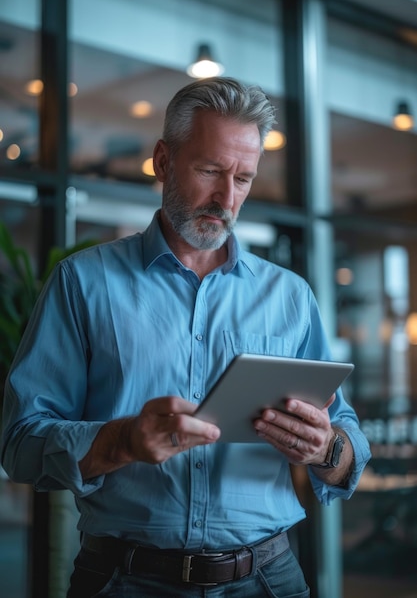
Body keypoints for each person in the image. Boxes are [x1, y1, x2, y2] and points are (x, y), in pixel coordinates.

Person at [1, 77, 371, 598]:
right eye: (210, 171)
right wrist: (120, 441)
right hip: (122, 580)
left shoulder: (290, 295)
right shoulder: (83, 282)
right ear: (162, 160)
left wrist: (327, 449)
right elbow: (20, 445)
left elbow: (348, 434)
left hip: (269, 580)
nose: (227, 198)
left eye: (243, 178)